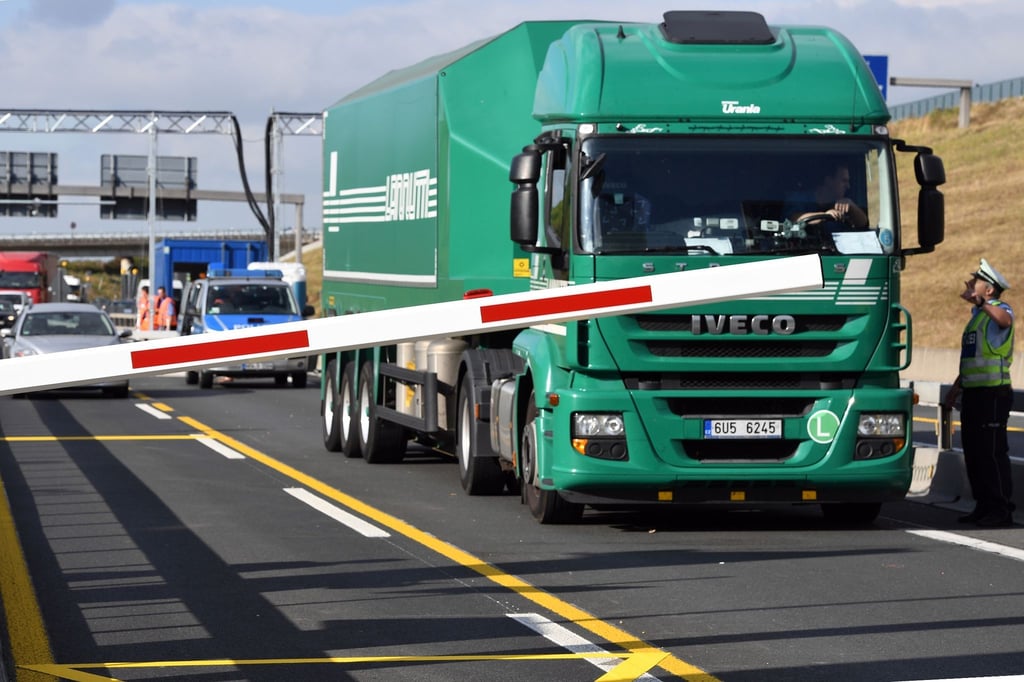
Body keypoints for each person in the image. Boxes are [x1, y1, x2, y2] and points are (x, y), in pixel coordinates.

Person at [943, 258, 1016, 527]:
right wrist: (955, 389)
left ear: (989, 290)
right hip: (974, 394)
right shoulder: (977, 319)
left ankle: (1001, 509)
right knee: (974, 453)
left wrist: (981, 304)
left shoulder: (998, 309)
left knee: (992, 452)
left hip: (993, 394)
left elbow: (1006, 321)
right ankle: (983, 506)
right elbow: (972, 358)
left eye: (977, 282)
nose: (971, 284)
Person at [788, 162, 868, 229]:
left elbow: (863, 224)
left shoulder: (843, 204)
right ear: (829, 181)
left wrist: (852, 206)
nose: (848, 186)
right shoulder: (799, 199)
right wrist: (825, 216)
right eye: (844, 181)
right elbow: (793, 219)